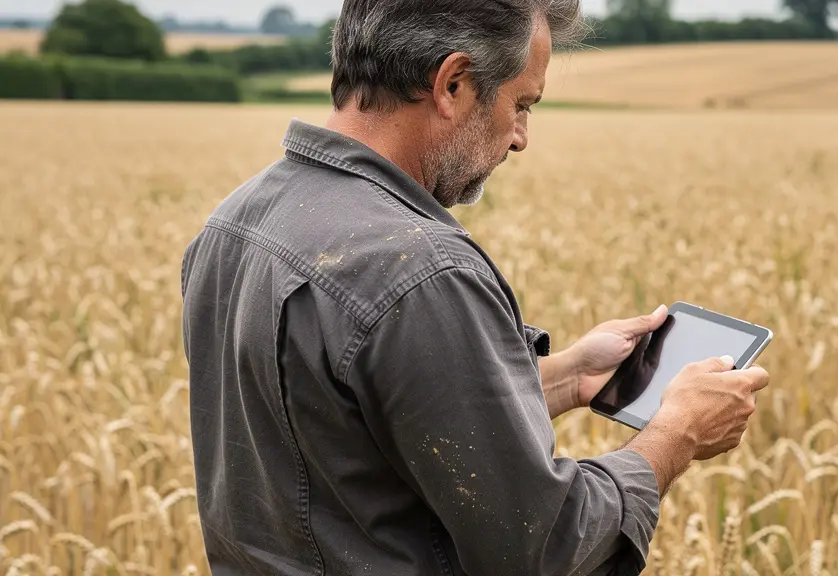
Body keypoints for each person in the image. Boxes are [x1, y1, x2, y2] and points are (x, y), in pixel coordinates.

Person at [179, 1, 771, 574]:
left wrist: (567, 377)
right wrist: (676, 436)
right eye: (522, 104)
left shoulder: (235, 222)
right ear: (453, 83)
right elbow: (544, 550)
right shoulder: (420, 272)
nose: (520, 138)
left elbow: (347, 429)